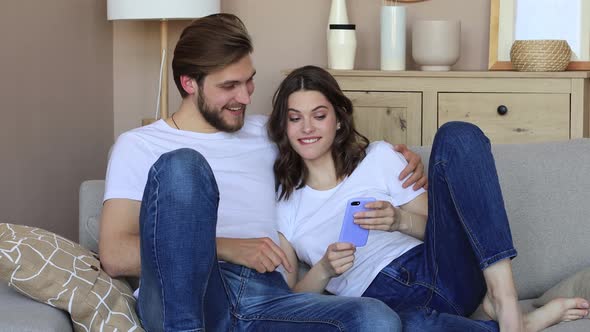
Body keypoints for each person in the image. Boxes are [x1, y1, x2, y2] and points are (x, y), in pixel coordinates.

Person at [98, 14, 428, 331]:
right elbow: (114, 255)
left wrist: (404, 159)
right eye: (230, 86)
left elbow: (325, 138)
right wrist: (225, 247)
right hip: (186, 293)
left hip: (266, 297)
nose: (244, 97)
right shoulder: (139, 145)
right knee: (183, 166)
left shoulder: (267, 133)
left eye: (249, 80)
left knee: (376, 319)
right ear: (189, 84)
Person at [267, 65, 590, 332]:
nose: (307, 127)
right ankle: (524, 324)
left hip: (439, 269)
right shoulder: (284, 205)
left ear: (338, 120)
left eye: (318, 115)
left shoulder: (378, 158)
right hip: (385, 305)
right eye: (295, 118)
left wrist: (399, 220)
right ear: (284, 125)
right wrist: (323, 269)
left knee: (457, 135)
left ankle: (504, 301)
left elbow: (443, 231)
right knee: (400, 326)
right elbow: (292, 301)